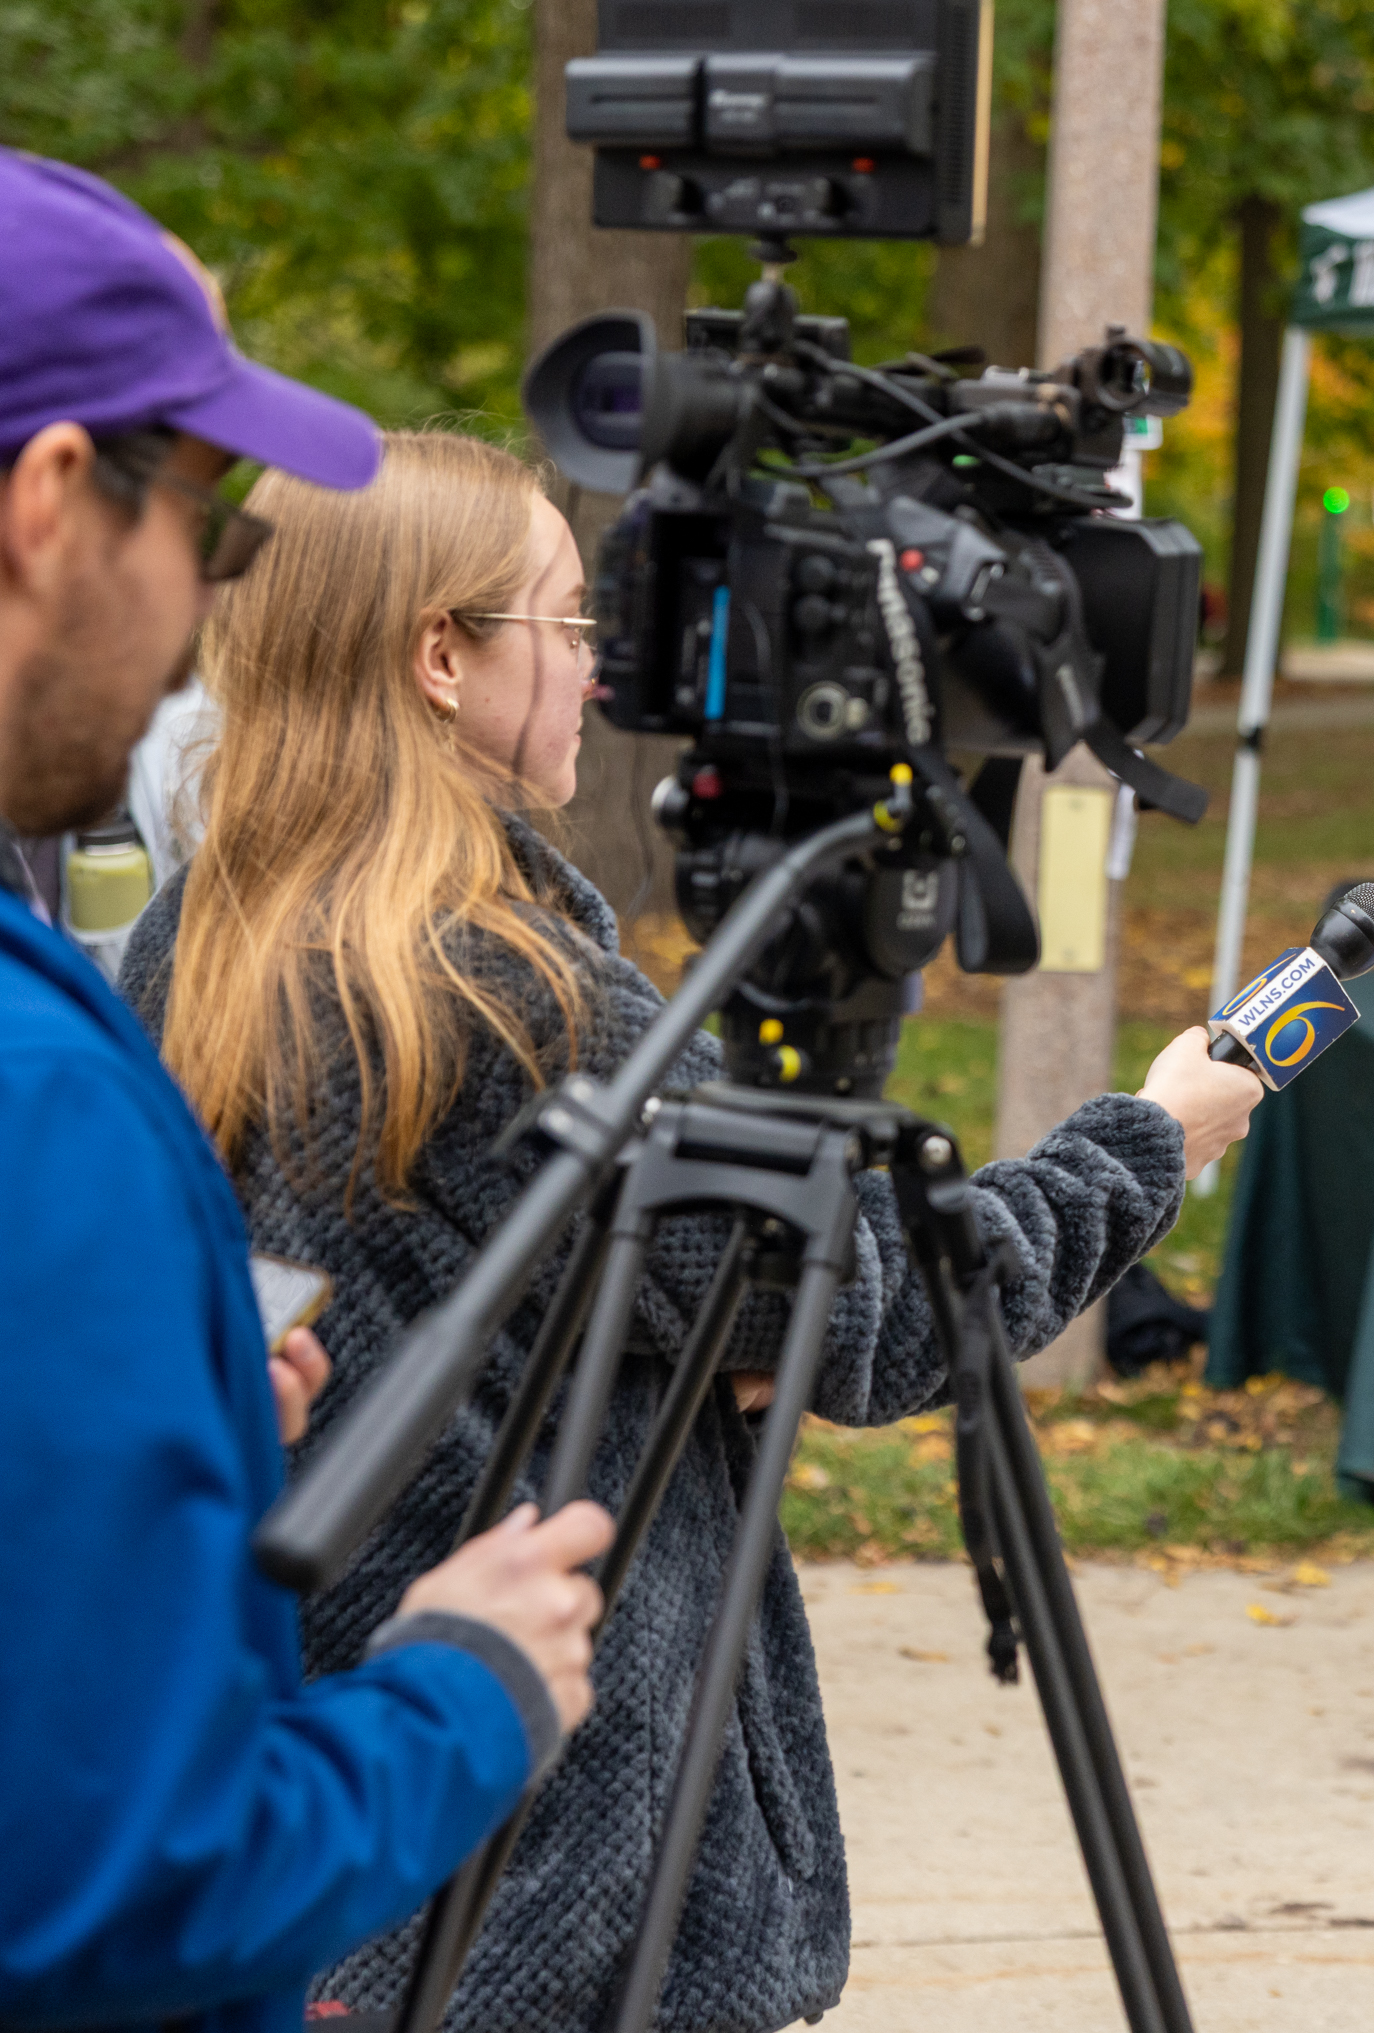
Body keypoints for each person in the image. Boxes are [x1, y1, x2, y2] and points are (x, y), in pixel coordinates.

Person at [119, 428, 1268, 2033]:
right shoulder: (500, 983)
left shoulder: (206, 929)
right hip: (550, 1851)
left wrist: (681, 1351)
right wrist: (1149, 1142)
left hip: (320, 1781)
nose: (599, 671)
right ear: (439, 655)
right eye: (569, 624)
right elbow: (862, 1311)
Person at [0, 152, 613, 2032]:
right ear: (47, 503)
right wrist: (461, 1688)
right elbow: (118, 1892)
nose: (205, 616)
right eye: (213, 526)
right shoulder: (39, 1091)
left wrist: (155, 1432)